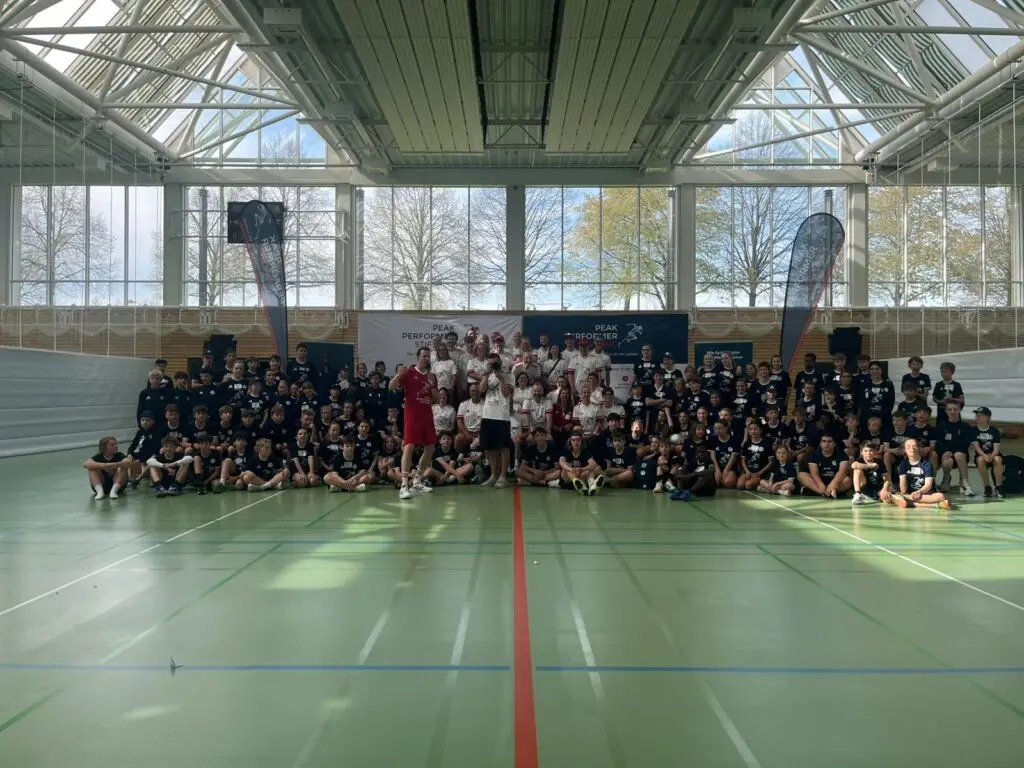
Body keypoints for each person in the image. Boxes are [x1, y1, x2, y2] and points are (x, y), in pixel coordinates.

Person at [389, 346, 440, 499]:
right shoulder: (409, 372)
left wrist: (433, 388)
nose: (426, 358)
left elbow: (436, 400)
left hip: (427, 416)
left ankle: (417, 481)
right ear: (418, 357)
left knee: (430, 448)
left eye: (428, 356)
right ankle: (404, 485)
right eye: (424, 356)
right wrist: (398, 375)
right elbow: (391, 387)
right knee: (409, 446)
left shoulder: (432, 377)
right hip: (412, 416)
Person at [479, 352, 514, 488]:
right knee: (491, 448)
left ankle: (503, 476)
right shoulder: (487, 375)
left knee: (503, 447)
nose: (492, 365)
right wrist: (486, 374)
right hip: (488, 414)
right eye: (490, 363)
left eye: (495, 363)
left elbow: (506, 393)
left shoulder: (509, 375)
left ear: (500, 362)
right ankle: (493, 475)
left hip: (502, 416)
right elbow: (482, 390)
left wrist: (500, 378)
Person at [887, 438, 950, 509]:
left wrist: (919, 492)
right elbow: (903, 486)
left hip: (925, 494)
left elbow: (928, 485)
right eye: (908, 447)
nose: (912, 448)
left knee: (941, 496)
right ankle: (933, 505)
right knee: (902, 495)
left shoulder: (926, 464)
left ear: (919, 448)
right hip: (910, 495)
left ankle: (907, 502)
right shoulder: (903, 464)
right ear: (905, 450)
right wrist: (904, 493)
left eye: (914, 446)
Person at [936, 403, 974, 496]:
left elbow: (966, 443)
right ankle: (946, 480)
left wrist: (954, 451)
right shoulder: (941, 425)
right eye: (949, 409)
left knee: (959, 454)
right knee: (947, 460)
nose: (952, 412)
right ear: (946, 411)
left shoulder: (965, 426)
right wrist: (945, 451)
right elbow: (939, 442)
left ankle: (965, 483)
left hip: (961, 456)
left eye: (955, 409)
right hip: (946, 455)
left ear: (959, 410)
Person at [798, 433, 851, 498]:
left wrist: (832, 484)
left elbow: (842, 472)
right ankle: (827, 493)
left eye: (829, 441)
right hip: (819, 482)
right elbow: (815, 474)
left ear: (834, 444)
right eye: (824, 441)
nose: (826, 444)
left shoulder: (842, 454)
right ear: (820, 444)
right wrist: (821, 486)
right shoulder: (814, 455)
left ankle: (817, 492)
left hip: (835, 480)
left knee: (847, 480)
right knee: (801, 475)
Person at [969, 406, 1004, 498]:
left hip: (993, 454)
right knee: (980, 460)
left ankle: (998, 486)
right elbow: (976, 447)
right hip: (981, 454)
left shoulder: (994, 431)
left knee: (998, 459)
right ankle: (987, 486)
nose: (978, 417)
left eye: (980, 415)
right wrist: (984, 455)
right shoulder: (973, 431)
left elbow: (996, 448)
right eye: (977, 415)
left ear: (987, 417)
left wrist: (991, 456)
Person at [558, 431, 603, 496]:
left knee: (592, 470)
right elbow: (561, 462)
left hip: (581, 477)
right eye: (573, 440)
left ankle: (592, 485)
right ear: (570, 441)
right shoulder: (566, 452)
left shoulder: (585, 453)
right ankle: (576, 481)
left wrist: (582, 469)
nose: (576, 442)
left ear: (581, 441)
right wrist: (571, 469)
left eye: (578, 440)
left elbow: (593, 464)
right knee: (565, 468)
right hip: (568, 479)